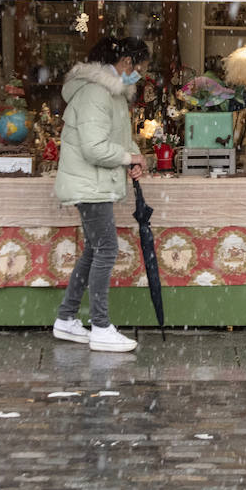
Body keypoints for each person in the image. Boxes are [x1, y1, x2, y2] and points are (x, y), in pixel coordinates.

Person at [52, 36, 149, 352]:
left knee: (95, 249)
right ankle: (101, 327)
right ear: (125, 64)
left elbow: (118, 138)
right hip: (89, 184)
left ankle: (67, 319)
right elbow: (95, 148)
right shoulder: (96, 93)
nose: (141, 75)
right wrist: (126, 158)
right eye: (139, 68)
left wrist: (134, 157)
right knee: (106, 248)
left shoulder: (113, 93)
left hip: (94, 182)